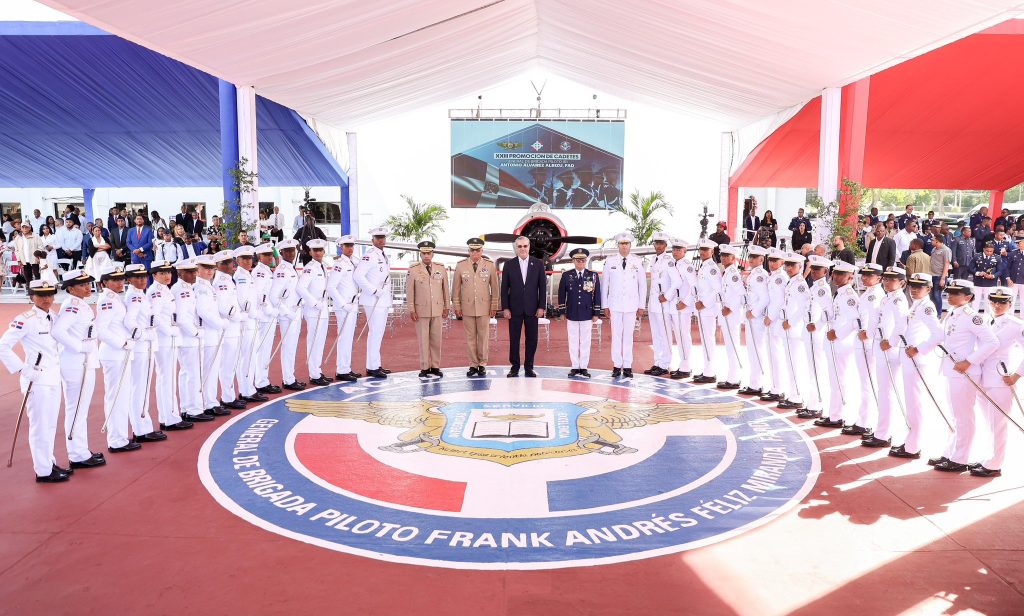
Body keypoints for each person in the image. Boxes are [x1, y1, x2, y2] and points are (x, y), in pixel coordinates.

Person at [0, 279, 68, 482]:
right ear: (31, 297)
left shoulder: (53, 317)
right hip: (36, 380)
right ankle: (43, 470)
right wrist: (23, 369)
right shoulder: (25, 319)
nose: (47, 299)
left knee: (50, 425)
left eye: (50, 294)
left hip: (54, 377)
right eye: (41, 295)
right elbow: (3, 346)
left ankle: (49, 462)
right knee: (40, 426)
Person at [932, 280, 998, 473]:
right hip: (952, 371)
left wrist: (970, 361)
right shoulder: (952, 313)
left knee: (963, 416)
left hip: (965, 373)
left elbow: (991, 342)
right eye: (949, 292)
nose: (950, 296)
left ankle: (960, 459)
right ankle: (951, 452)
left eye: (955, 293)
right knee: (955, 415)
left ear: (968, 297)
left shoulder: (971, 317)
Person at [973, 288, 1024, 476]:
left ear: (1010, 304)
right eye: (993, 301)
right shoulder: (984, 320)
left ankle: (995, 463)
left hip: (1001, 379)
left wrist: (1016, 375)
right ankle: (989, 456)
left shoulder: (1016, 324)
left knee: (999, 423)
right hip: (981, 379)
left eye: (1002, 302)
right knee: (988, 423)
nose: (997, 305)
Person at [94, 264, 142, 454]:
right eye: (115, 279)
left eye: (122, 279)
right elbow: (101, 330)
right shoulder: (107, 300)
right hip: (114, 354)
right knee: (116, 397)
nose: (120, 282)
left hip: (120, 353)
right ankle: (116, 440)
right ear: (105, 282)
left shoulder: (114, 298)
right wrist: (122, 343)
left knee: (122, 396)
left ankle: (120, 437)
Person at [862, 267, 910, 448]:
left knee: (887, 392)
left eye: (893, 279)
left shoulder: (898, 299)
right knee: (883, 391)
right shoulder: (887, 297)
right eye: (886, 279)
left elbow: (902, 324)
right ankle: (881, 431)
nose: (888, 282)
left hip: (888, 350)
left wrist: (891, 342)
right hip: (880, 347)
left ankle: (883, 434)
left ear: (902, 282)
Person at [146, 260, 193, 431]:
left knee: (168, 378)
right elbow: (155, 317)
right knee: (166, 378)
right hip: (164, 339)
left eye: (168, 272)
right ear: (154, 275)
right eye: (162, 273)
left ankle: (170, 416)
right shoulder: (155, 293)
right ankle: (169, 418)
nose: (167, 276)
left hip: (170, 339)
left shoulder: (164, 290)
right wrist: (169, 331)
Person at [813, 260, 860, 430]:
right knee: (834, 379)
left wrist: (837, 333)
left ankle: (837, 416)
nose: (837, 276)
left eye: (841, 274)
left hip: (842, 342)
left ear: (850, 277)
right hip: (834, 341)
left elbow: (855, 321)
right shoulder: (839, 293)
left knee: (839, 380)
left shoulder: (848, 295)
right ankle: (834, 413)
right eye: (835, 273)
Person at [122, 264, 165, 443]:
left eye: (144, 277)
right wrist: (143, 335)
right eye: (137, 277)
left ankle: (144, 425)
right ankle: (140, 429)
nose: (142, 280)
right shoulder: (134, 296)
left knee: (143, 387)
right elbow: (129, 321)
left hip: (146, 345)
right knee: (139, 387)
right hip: (141, 346)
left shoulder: (140, 295)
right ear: (129, 279)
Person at [171, 259, 214, 423]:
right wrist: (196, 333)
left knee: (188, 374)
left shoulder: (185, 288)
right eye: (189, 272)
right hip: (189, 338)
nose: (194, 274)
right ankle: (194, 410)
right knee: (193, 374)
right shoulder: (183, 291)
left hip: (188, 338)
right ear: (180, 274)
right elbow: (182, 318)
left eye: (194, 271)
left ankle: (187, 408)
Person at [844, 264, 884, 437]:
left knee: (868, 383)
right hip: (862, 341)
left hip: (868, 343)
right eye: (864, 275)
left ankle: (866, 422)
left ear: (879, 278)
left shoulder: (875, 295)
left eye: (870, 275)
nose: (865, 277)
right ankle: (864, 419)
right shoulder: (868, 293)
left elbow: (874, 319)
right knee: (865, 383)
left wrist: (867, 333)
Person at [500, 236, 547, 377]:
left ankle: (529, 367)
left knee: (532, 339)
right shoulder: (509, 265)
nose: (522, 249)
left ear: (529, 247)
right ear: (516, 248)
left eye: (525, 246)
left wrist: (541, 307)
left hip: (533, 309)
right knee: (514, 339)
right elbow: (504, 288)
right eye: (519, 246)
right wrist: (505, 308)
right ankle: (514, 367)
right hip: (514, 309)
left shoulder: (538, 264)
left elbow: (542, 287)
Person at [453, 238, 499, 377]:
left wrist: (494, 305)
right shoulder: (461, 266)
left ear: (482, 251)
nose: (475, 253)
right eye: (472, 250)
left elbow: (495, 288)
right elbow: (455, 288)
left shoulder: (490, 265)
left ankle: (482, 364)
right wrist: (457, 305)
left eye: (477, 250)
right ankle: (473, 364)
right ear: (468, 251)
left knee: (483, 337)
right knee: (470, 337)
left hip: (484, 307)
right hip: (467, 307)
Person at [602, 233, 645, 378]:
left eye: (626, 243)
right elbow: (605, 284)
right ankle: (616, 365)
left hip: (631, 305)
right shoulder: (610, 261)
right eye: (621, 244)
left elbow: (642, 285)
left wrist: (641, 305)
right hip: (615, 304)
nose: (624, 246)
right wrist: (605, 305)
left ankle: (627, 366)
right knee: (616, 335)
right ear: (618, 245)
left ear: (630, 245)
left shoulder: (637, 262)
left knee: (628, 336)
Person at [353, 228, 393, 379]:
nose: (381, 240)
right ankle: (372, 366)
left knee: (378, 333)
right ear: (372, 240)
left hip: (382, 301)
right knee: (375, 333)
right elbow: (358, 276)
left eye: (383, 237)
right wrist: (374, 291)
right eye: (378, 238)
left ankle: (375, 365)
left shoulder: (382, 255)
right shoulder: (369, 256)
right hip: (373, 300)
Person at [406, 241, 450, 378]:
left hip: (437, 309)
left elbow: (445, 289)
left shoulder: (441, 268)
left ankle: (435, 366)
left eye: (428, 253)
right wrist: (411, 309)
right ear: (420, 254)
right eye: (424, 253)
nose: (426, 256)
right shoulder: (413, 269)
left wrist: (447, 306)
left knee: (436, 340)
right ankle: (425, 367)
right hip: (421, 311)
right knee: (423, 340)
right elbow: (410, 291)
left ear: (432, 254)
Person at [194, 255, 229, 417]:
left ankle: (211, 401)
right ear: (197, 270)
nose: (209, 271)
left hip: (214, 334)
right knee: (207, 370)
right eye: (206, 268)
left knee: (213, 369)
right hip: (207, 334)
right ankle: (207, 403)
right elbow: (203, 312)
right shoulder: (200, 288)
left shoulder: (208, 286)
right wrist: (220, 324)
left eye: (212, 268)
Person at [558, 248, 601, 378]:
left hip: (587, 313)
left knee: (585, 341)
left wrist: (596, 313)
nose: (581, 262)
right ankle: (575, 367)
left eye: (583, 260)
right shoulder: (567, 275)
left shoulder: (592, 275)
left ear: (586, 260)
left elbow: (597, 295)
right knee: (573, 341)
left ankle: (584, 367)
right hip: (572, 313)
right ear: (573, 261)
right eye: (578, 260)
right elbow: (561, 294)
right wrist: (562, 311)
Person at [775, 253, 810, 410]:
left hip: (793, 329)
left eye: (792, 265)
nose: (788, 268)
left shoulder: (800, 284)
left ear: (800, 267)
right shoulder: (792, 282)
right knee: (790, 362)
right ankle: (793, 394)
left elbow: (804, 307)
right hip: (788, 328)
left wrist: (791, 322)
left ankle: (797, 396)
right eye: (787, 265)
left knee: (795, 363)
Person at [213, 250, 246, 409]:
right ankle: (227, 397)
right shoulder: (221, 281)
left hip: (233, 327)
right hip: (229, 327)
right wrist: (238, 316)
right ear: (219, 265)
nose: (231, 264)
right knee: (227, 363)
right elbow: (223, 306)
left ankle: (230, 394)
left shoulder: (227, 279)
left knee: (231, 363)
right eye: (227, 263)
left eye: (231, 261)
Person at [232, 245, 265, 404]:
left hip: (252, 319)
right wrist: (254, 313)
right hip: (247, 320)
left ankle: (249, 388)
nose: (248, 261)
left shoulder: (247, 274)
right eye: (244, 258)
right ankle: (246, 391)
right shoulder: (241, 276)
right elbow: (243, 300)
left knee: (250, 356)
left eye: (250, 258)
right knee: (246, 356)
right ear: (237, 260)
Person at [270, 239, 305, 390]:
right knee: (288, 347)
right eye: (287, 251)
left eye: (293, 250)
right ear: (282, 253)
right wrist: (287, 313)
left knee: (292, 347)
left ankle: (290, 376)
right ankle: (288, 379)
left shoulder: (290, 267)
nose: (291, 253)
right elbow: (273, 296)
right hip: (288, 315)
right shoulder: (282, 270)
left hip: (295, 313)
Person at [297, 239, 332, 385]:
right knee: (314, 341)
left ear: (324, 251)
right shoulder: (310, 268)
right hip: (313, 310)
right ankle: (314, 374)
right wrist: (314, 303)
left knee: (320, 341)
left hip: (322, 308)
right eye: (315, 250)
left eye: (320, 250)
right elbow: (300, 288)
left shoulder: (323, 266)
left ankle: (317, 371)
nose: (318, 252)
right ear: (310, 252)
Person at [326, 236, 361, 382]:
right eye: (347, 246)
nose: (350, 248)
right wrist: (343, 304)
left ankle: (346, 368)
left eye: (351, 245)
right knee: (344, 337)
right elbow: (331, 287)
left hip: (352, 305)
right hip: (344, 307)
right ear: (341, 247)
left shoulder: (355, 261)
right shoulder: (339, 264)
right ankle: (341, 369)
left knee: (348, 337)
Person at [662, 238, 697, 379]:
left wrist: (686, 302)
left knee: (683, 337)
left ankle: (686, 367)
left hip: (683, 307)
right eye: (674, 249)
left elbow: (694, 286)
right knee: (678, 336)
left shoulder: (687, 266)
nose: (675, 252)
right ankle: (682, 364)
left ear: (685, 251)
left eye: (679, 250)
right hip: (673, 306)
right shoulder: (672, 264)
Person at [251, 243, 282, 392]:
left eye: (271, 254)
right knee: (262, 349)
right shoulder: (260, 272)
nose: (270, 257)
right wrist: (270, 310)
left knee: (265, 349)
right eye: (266, 255)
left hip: (268, 316)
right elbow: (259, 294)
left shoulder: (267, 271)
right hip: (264, 316)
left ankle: (263, 379)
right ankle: (261, 382)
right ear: (259, 257)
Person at [692, 239, 723, 384]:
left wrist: (703, 303)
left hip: (708, 309)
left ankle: (710, 372)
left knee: (708, 340)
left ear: (712, 252)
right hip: (702, 309)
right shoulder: (704, 266)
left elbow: (717, 290)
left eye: (706, 249)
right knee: (705, 340)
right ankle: (706, 370)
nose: (703, 252)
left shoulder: (712, 268)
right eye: (701, 249)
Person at [644, 232, 674, 376]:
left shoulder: (669, 260)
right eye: (656, 243)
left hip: (663, 304)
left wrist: (667, 296)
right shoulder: (653, 259)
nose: (658, 246)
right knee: (656, 335)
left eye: (661, 243)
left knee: (665, 335)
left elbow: (676, 282)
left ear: (665, 245)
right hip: (653, 304)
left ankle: (665, 364)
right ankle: (657, 362)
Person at [716, 245, 745, 390]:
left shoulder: (732, 273)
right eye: (722, 255)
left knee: (733, 346)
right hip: (727, 314)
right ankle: (732, 377)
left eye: (727, 255)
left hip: (731, 315)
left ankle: (734, 379)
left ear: (733, 258)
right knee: (729, 347)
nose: (723, 258)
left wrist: (730, 308)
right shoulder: (726, 272)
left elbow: (741, 293)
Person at [971, 242, 1003, 312]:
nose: (989, 253)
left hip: (990, 283)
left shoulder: (997, 257)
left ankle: (988, 319)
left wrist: (993, 276)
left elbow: (1000, 271)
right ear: (983, 249)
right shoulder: (977, 256)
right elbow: (970, 268)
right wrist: (978, 273)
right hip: (978, 282)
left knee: (989, 302)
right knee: (975, 301)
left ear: (993, 250)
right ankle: (973, 317)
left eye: (991, 251)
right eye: (987, 251)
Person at [929, 235, 952, 312]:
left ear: (937, 241)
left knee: (937, 295)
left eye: (933, 240)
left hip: (939, 276)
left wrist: (943, 278)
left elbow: (946, 264)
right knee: (931, 296)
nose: (931, 241)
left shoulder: (946, 250)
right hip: (931, 275)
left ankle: (938, 314)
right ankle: (933, 312)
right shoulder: (934, 249)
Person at [1005, 236, 1024, 312]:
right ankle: (1010, 318)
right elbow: (1007, 267)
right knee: (1011, 300)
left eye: (1021, 243)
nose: (1020, 245)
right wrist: (1008, 278)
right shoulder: (1013, 253)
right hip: (1013, 280)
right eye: (1019, 244)